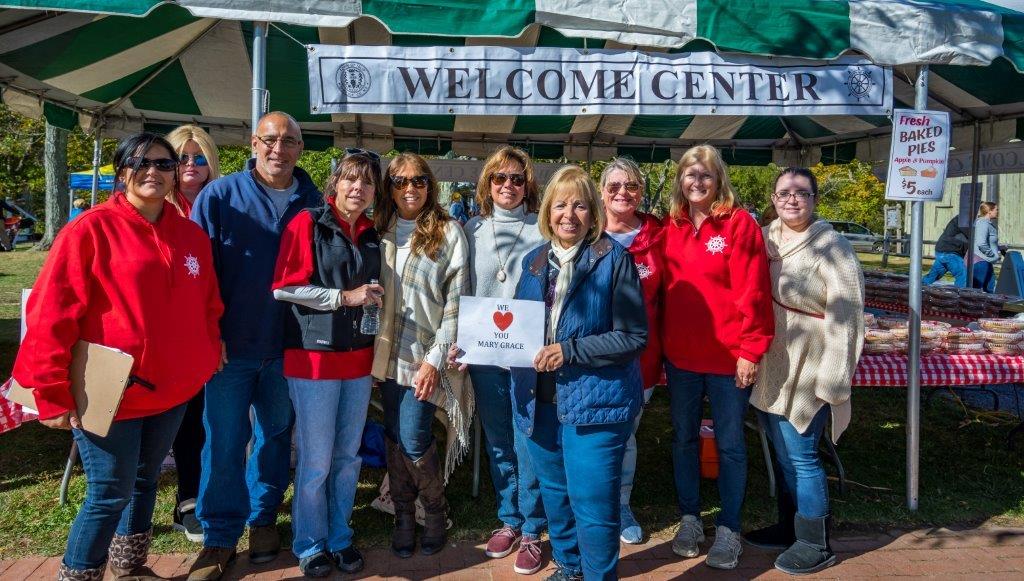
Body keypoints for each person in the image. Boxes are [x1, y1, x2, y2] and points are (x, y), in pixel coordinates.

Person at [12, 133, 222, 581]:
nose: (154, 172)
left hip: (171, 389)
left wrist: (204, 353)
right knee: (109, 491)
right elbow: (51, 313)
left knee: (146, 481)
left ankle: (129, 567)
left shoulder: (190, 234)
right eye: (142, 163)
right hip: (109, 388)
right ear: (123, 171)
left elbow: (208, 304)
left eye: (165, 165)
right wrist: (50, 390)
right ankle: (80, 573)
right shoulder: (90, 229)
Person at [188, 112, 322, 581]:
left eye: (288, 141)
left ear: (300, 148)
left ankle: (264, 517)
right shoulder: (219, 196)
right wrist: (208, 333)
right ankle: (219, 536)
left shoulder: (314, 201)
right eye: (269, 140)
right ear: (253, 143)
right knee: (224, 440)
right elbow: (195, 276)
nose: (277, 149)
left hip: (290, 346)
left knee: (275, 436)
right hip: (230, 346)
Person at [510, 165, 647, 581]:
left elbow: (633, 336)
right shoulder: (534, 262)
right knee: (555, 495)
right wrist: (479, 348)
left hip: (597, 402)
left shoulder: (615, 261)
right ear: (547, 211)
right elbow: (517, 329)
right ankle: (569, 567)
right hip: (539, 403)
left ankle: (597, 576)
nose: (569, 214)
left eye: (580, 205)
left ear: (593, 214)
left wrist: (569, 351)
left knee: (593, 504)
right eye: (560, 204)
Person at [271, 149, 383, 577]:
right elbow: (284, 288)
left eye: (367, 182)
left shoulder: (373, 232)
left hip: (358, 362)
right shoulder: (308, 222)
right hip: (313, 360)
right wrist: (343, 298)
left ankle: (340, 535)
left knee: (348, 457)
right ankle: (310, 544)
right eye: (351, 179)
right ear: (335, 183)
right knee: (316, 460)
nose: (359, 188)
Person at [661, 145, 774, 570]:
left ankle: (729, 528)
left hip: (730, 359)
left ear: (719, 178)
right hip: (682, 358)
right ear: (680, 180)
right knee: (683, 440)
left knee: (729, 446)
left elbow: (755, 290)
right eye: (690, 174)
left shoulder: (739, 224)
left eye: (705, 174)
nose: (697, 181)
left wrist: (751, 350)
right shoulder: (669, 226)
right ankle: (690, 519)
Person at [747, 167, 864, 575]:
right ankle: (789, 526)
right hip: (772, 357)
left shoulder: (834, 246)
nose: (791, 199)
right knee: (780, 450)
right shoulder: (765, 238)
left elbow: (847, 315)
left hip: (811, 359)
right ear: (774, 199)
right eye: (784, 193)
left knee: (801, 455)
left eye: (801, 192)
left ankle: (816, 542)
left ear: (815, 198)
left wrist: (833, 377)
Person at [372, 152, 473, 559]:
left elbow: (457, 304)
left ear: (429, 186)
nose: (409, 189)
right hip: (383, 356)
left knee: (414, 437)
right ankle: (401, 515)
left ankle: (433, 512)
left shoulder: (449, 233)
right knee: (393, 435)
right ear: (389, 187)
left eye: (418, 181)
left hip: (425, 356)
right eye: (399, 181)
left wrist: (435, 359)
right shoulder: (380, 229)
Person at [461, 146, 547, 574]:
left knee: (526, 435)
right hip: (483, 353)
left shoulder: (543, 228)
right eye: (499, 178)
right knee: (497, 438)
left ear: (527, 184)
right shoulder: (471, 228)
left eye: (516, 178)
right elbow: (463, 289)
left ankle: (533, 526)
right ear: (487, 184)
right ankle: (508, 517)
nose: (508, 186)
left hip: (528, 354)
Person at [599, 158, 664, 546]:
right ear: (602, 191)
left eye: (632, 186)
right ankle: (591, 503)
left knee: (625, 432)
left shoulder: (659, 234)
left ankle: (621, 505)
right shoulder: (585, 230)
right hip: (589, 354)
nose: (623, 193)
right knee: (591, 431)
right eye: (614, 186)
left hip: (642, 356)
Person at [164, 124, 222, 543]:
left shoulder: (222, 201)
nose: (190, 165)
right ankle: (185, 500)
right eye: (182, 157)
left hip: (213, 323)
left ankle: (203, 495)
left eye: (198, 157)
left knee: (207, 417)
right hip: (167, 330)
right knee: (179, 418)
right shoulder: (158, 205)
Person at [167, 125, 221, 218]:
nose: (191, 163)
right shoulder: (156, 202)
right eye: (182, 157)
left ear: (211, 162)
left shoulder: (224, 201)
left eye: (199, 158)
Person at [922, 216, 970, 287]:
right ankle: (960, 296)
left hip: (942, 251)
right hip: (950, 252)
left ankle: (917, 289)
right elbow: (972, 234)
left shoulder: (964, 219)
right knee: (963, 274)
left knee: (933, 276)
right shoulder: (963, 219)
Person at [972, 202, 1001, 292]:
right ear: (989, 211)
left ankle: (988, 306)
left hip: (986, 261)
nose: (997, 212)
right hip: (981, 261)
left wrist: (999, 247)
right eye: (996, 210)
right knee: (975, 290)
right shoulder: (983, 223)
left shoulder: (987, 223)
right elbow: (981, 243)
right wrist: (991, 254)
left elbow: (988, 242)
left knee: (989, 287)